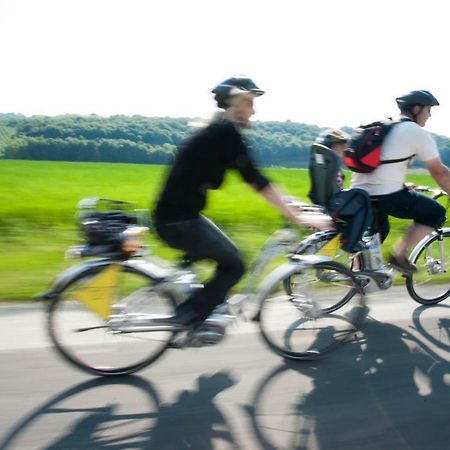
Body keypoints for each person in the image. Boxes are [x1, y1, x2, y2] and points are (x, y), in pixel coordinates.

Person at [152, 76, 333, 334]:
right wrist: (298, 217)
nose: (253, 110)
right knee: (235, 265)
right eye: (249, 103)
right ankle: (189, 317)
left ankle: (208, 308)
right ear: (235, 104)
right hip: (179, 222)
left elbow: (255, 178)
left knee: (225, 255)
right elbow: (256, 180)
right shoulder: (225, 132)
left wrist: (294, 205)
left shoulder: (216, 131)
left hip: (180, 216)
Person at [351, 90, 449, 274]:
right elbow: (439, 171)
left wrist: (401, 184)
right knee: (435, 212)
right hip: (386, 195)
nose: (430, 114)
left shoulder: (385, 127)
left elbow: (382, 164)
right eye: (429, 109)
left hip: (359, 193)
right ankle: (399, 255)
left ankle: (358, 275)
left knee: (376, 232)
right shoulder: (416, 132)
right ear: (417, 109)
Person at [308, 129, 372, 254]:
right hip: (335, 204)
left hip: (320, 203)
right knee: (362, 197)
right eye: (341, 147)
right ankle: (352, 242)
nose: (344, 150)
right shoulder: (333, 166)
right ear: (332, 149)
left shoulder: (319, 164)